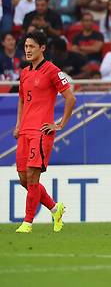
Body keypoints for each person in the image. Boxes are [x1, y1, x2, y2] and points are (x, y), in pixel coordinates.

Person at [14, 30, 76, 233]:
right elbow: (22, 99)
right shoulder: (24, 73)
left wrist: (60, 124)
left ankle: (27, 222)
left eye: (31, 46)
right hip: (25, 131)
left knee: (33, 177)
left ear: (42, 48)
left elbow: (70, 98)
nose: (28, 50)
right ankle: (55, 208)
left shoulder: (52, 70)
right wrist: (18, 125)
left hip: (41, 131)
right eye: (25, 47)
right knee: (24, 179)